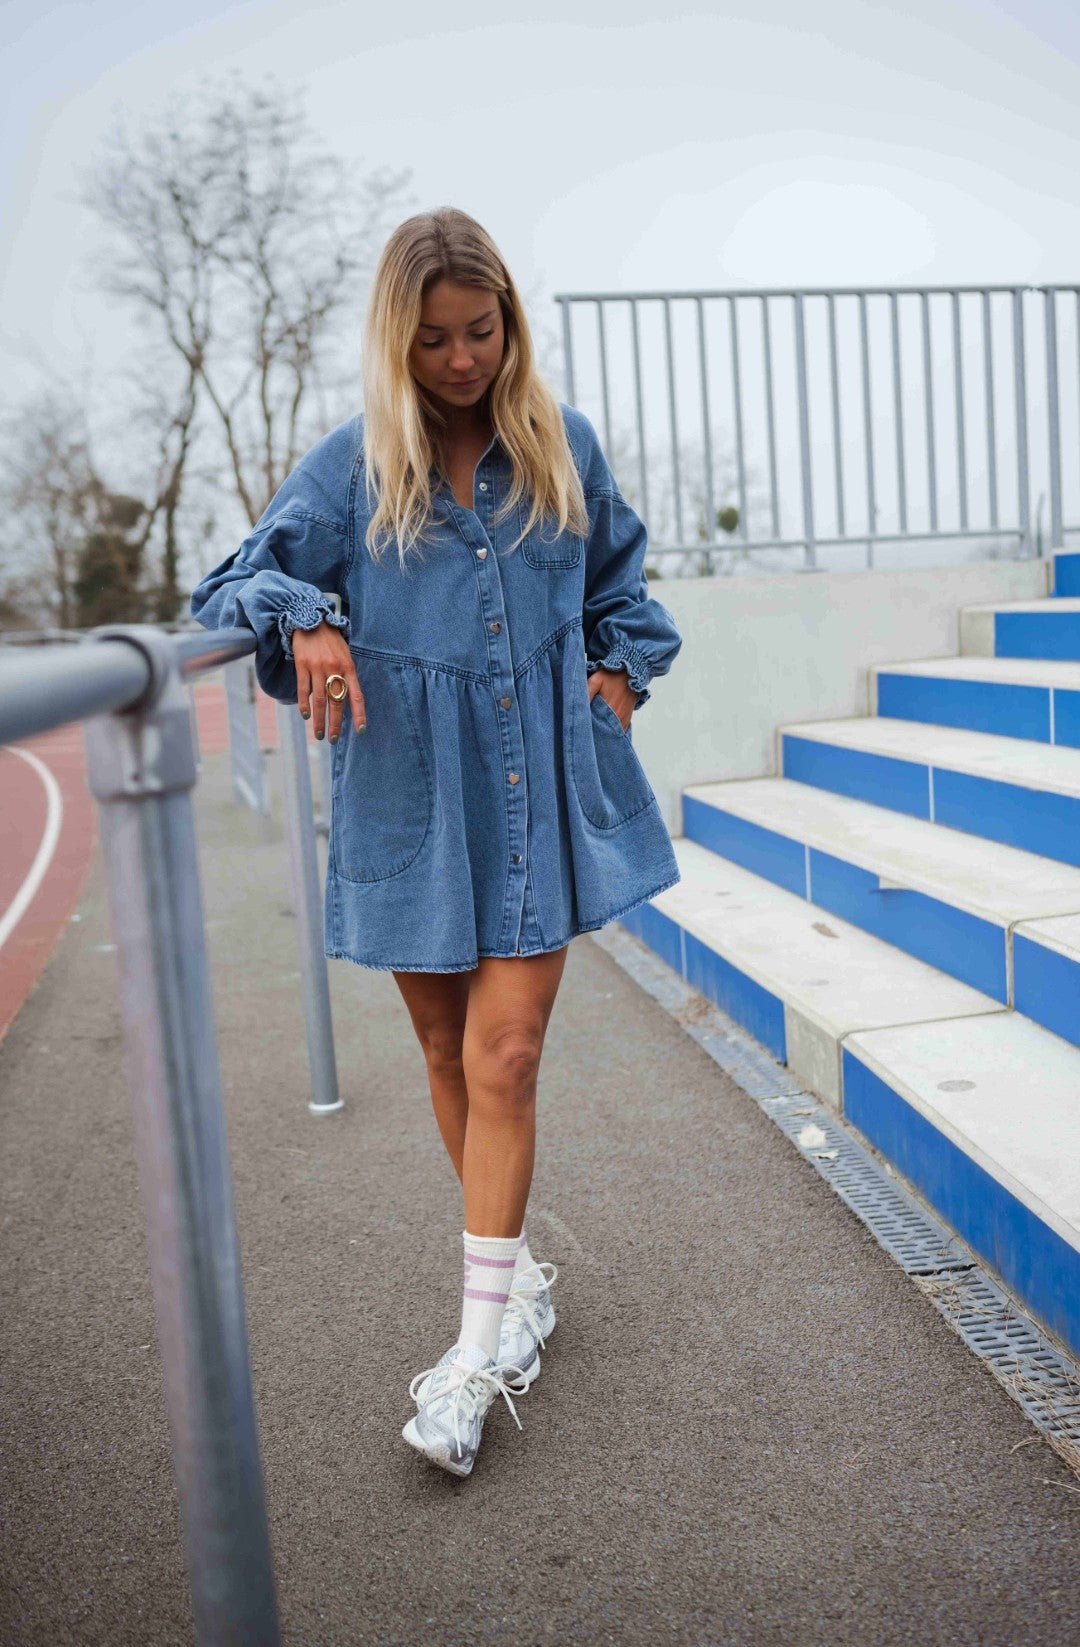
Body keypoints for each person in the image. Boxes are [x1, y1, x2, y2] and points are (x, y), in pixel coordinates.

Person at [189, 206, 684, 1478]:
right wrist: (307, 617)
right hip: (410, 792)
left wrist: (614, 683)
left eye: (481, 331)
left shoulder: (562, 449)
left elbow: (625, 591)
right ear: (394, 343)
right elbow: (228, 587)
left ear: (509, 322)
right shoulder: (355, 465)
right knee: (439, 1044)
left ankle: (472, 1361)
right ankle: (514, 1278)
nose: (462, 361)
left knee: (506, 1050)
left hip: (536, 800)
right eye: (434, 341)